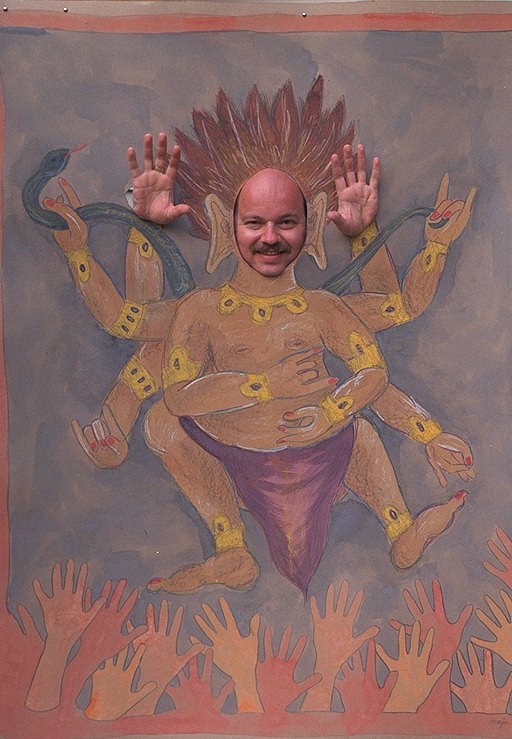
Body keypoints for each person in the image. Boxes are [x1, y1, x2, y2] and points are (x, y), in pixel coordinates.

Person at [45, 79, 476, 593]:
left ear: (309, 230)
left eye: (286, 222)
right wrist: (84, 250)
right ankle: (230, 546)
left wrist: (419, 430)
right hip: (233, 457)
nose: (270, 238)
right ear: (224, 227)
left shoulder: (322, 309)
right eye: (254, 222)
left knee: (359, 430)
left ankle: (400, 529)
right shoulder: (200, 310)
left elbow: (387, 337)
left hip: (323, 449)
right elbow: (140, 343)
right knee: (161, 421)